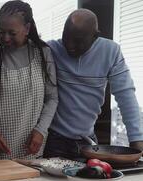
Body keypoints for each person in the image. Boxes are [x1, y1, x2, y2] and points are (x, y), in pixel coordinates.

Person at [43, 9, 143, 159]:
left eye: (77, 41)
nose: (69, 45)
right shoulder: (52, 49)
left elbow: (126, 95)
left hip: (89, 142)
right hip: (54, 142)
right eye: (66, 37)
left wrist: (136, 139)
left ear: (95, 36)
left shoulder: (111, 52)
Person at [0, 0, 58, 161]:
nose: (5, 38)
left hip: (31, 149)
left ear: (27, 28)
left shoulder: (43, 54)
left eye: (12, 33)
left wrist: (41, 130)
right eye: (1, 31)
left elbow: (52, 98)